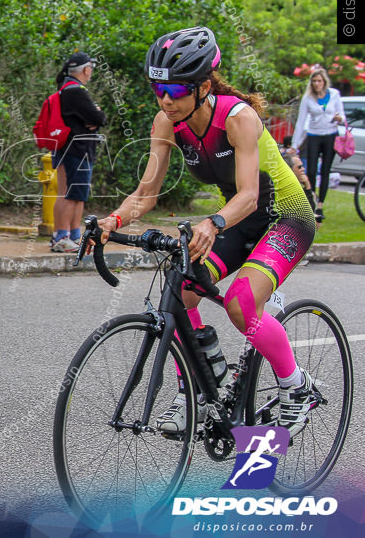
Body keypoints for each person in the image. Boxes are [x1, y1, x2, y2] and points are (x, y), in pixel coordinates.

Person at [95, 26, 318, 435]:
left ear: (204, 84)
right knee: (182, 291)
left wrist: (213, 222)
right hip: (236, 218)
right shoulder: (167, 123)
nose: (166, 100)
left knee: (240, 303)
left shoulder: (238, 118)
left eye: (176, 91)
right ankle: (199, 382)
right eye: (158, 90)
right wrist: (115, 220)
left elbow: (250, 195)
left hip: (285, 217)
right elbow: (147, 192)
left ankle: (296, 385)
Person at [50, 52, 107, 252]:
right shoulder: (76, 91)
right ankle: (63, 237)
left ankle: (68, 234)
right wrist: (97, 112)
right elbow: (99, 118)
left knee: (66, 193)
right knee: (72, 195)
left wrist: (93, 115)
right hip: (78, 149)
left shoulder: (65, 88)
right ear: (86, 69)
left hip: (65, 148)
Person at [292, 67, 345, 221]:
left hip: (330, 135)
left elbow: (342, 115)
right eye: (314, 81)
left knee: (326, 170)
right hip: (314, 135)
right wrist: (295, 145)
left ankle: (320, 205)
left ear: (324, 82)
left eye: (319, 81)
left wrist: (338, 118)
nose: (317, 84)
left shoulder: (334, 94)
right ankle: (312, 201)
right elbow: (301, 122)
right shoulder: (308, 97)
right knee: (312, 170)